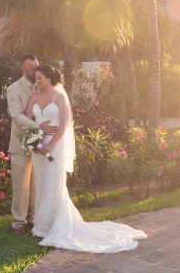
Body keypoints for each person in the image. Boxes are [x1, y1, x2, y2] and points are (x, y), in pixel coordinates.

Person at [24, 64, 147, 253]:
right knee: (41, 185)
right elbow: (27, 122)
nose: (37, 81)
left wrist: (49, 145)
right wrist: (37, 138)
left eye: (40, 78)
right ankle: (42, 226)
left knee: (54, 185)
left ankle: (56, 226)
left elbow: (63, 126)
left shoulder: (60, 97)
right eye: (36, 78)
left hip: (54, 148)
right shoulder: (34, 97)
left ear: (49, 78)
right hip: (37, 148)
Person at [5, 54, 57, 234]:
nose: (36, 72)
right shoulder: (13, 89)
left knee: (35, 183)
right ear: (23, 69)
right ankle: (18, 221)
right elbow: (17, 116)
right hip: (20, 142)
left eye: (37, 68)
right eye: (31, 70)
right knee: (21, 185)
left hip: (40, 143)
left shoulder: (43, 86)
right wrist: (38, 126)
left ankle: (32, 218)